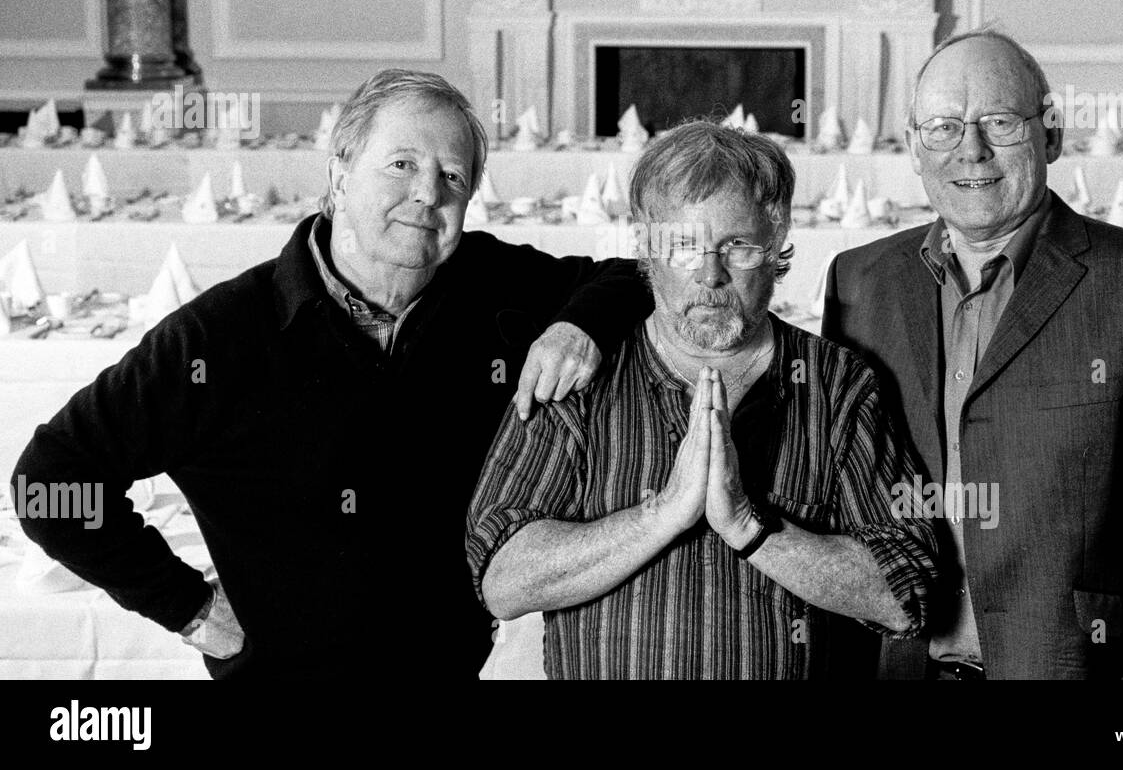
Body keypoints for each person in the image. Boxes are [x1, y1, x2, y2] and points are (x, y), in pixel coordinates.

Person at [11, 69, 651, 679]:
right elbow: (48, 484)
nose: (428, 194)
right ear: (339, 173)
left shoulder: (489, 282)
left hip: (450, 672)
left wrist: (578, 327)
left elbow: (632, 277)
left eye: (453, 176)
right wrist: (188, 608)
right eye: (401, 165)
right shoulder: (219, 337)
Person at [822, 29, 1123, 679]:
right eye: (942, 126)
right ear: (911, 146)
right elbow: (838, 506)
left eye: (999, 121)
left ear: (1049, 134)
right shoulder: (858, 283)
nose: (971, 148)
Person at [467, 121, 939, 679]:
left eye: (737, 246)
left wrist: (749, 526)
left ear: (777, 242)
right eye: (684, 245)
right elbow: (501, 576)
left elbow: (908, 590)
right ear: (646, 248)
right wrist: (662, 514)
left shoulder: (838, 383)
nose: (710, 275)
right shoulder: (578, 376)